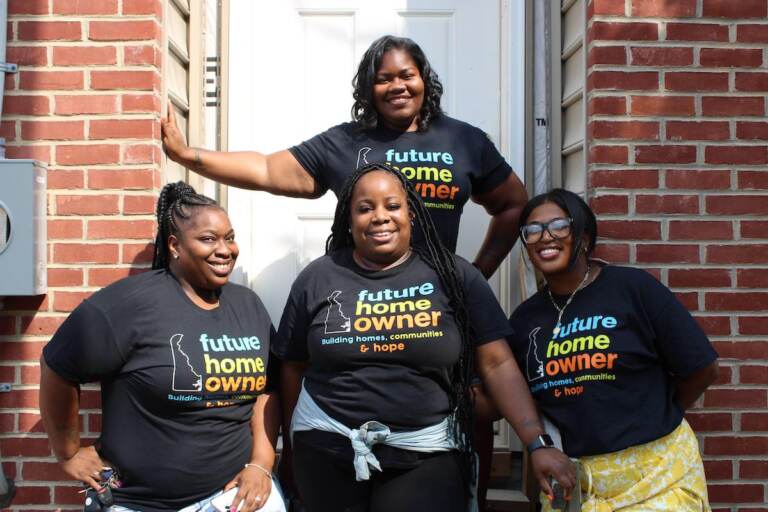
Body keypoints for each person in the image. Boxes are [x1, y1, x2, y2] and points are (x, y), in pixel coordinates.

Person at [162, 34, 525, 508]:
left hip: (437, 318)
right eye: (383, 78)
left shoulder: (463, 141)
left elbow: (513, 203)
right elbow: (270, 169)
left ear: (425, 80)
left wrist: (475, 270)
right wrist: (193, 157)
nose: (397, 86)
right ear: (368, 88)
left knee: (461, 436)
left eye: (406, 75)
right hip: (358, 307)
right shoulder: (347, 142)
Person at [272, 163, 575, 512]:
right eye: (365, 208)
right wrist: (292, 445)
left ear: (411, 214)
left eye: (392, 205)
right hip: (327, 444)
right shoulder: (319, 277)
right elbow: (293, 366)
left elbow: (498, 363)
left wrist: (536, 443)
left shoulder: (454, 275)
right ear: (348, 218)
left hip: (426, 448)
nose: (380, 217)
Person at [39, 183, 280, 512]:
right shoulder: (128, 305)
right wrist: (67, 452)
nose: (225, 250)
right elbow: (58, 366)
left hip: (232, 495)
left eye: (229, 237)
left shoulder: (248, 305)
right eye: (208, 239)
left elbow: (267, 390)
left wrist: (260, 464)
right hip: (137, 501)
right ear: (174, 245)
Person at [508, 189, 718, 511]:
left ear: (585, 238)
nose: (545, 237)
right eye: (532, 231)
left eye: (559, 226)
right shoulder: (524, 320)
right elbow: (513, 395)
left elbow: (701, 368)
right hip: (577, 487)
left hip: (657, 475)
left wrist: (655, 416)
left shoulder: (633, 289)